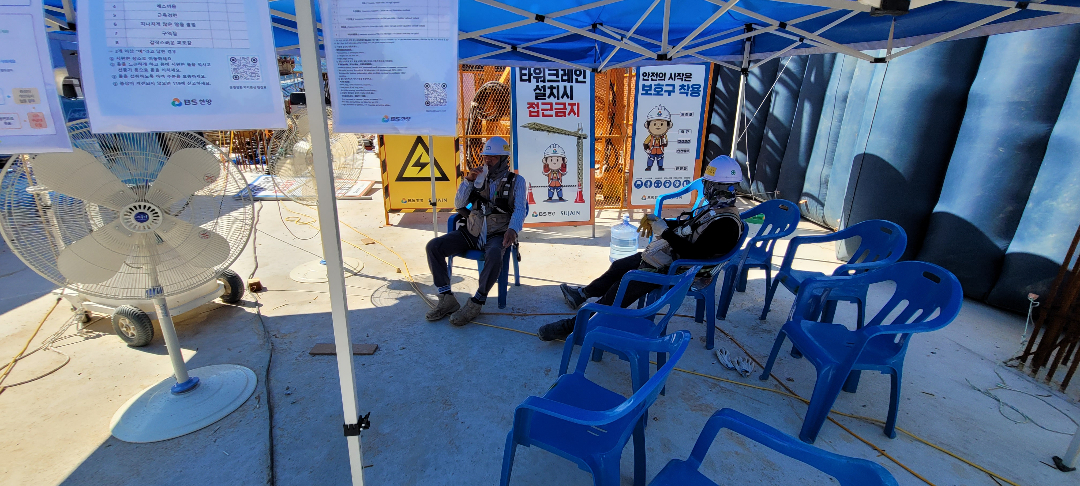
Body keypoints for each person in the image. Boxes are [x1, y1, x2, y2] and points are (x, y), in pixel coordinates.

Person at [537, 155, 746, 341]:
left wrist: (665, 233)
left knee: (620, 289)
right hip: (671, 259)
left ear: (719, 187)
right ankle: (582, 294)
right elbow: (690, 227)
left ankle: (573, 328)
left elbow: (695, 255)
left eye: (708, 183)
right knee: (620, 266)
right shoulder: (716, 209)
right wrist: (661, 221)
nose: (705, 187)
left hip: (680, 272)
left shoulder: (725, 224)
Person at [425, 137, 527, 325]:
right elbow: (459, 204)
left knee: (495, 254)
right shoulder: (477, 178)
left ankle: (477, 301)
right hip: (472, 230)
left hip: (497, 233)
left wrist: (513, 229)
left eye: (493, 158)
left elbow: (520, 208)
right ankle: (446, 298)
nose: (487, 161)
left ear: (503, 160)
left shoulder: (517, 181)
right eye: (486, 157)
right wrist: (468, 181)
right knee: (434, 246)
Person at [643, 105, 672, 172]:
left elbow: (666, 144)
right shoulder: (651, 136)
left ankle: (660, 167)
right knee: (650, 158)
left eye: (662, 124)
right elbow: (646, 142)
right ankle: (649, 167)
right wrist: (647, 148)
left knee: (660, 159)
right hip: (652, 150)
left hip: (660, 150)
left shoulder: (664, 136)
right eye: (654, 124)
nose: (658, 126)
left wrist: (664, 142)